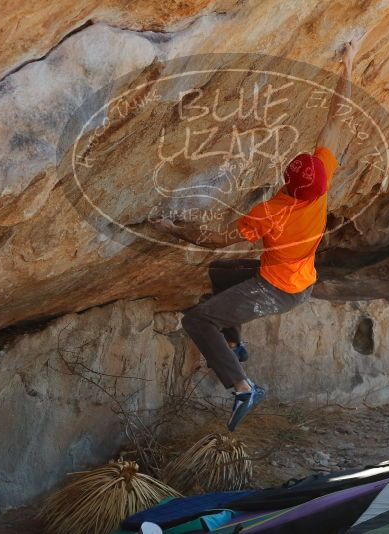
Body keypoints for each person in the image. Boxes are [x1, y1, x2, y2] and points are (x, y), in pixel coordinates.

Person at [153, 36, 365, 431]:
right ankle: (234, 345)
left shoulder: (272, 211)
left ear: (287, 178)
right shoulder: (320, 187)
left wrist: (174, 228)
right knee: (220, 273)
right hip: (298, 280)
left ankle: (242, 387)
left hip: (277, 291)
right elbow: (338, 117)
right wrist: (349, 63)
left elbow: (217, 237)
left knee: (197, 320)